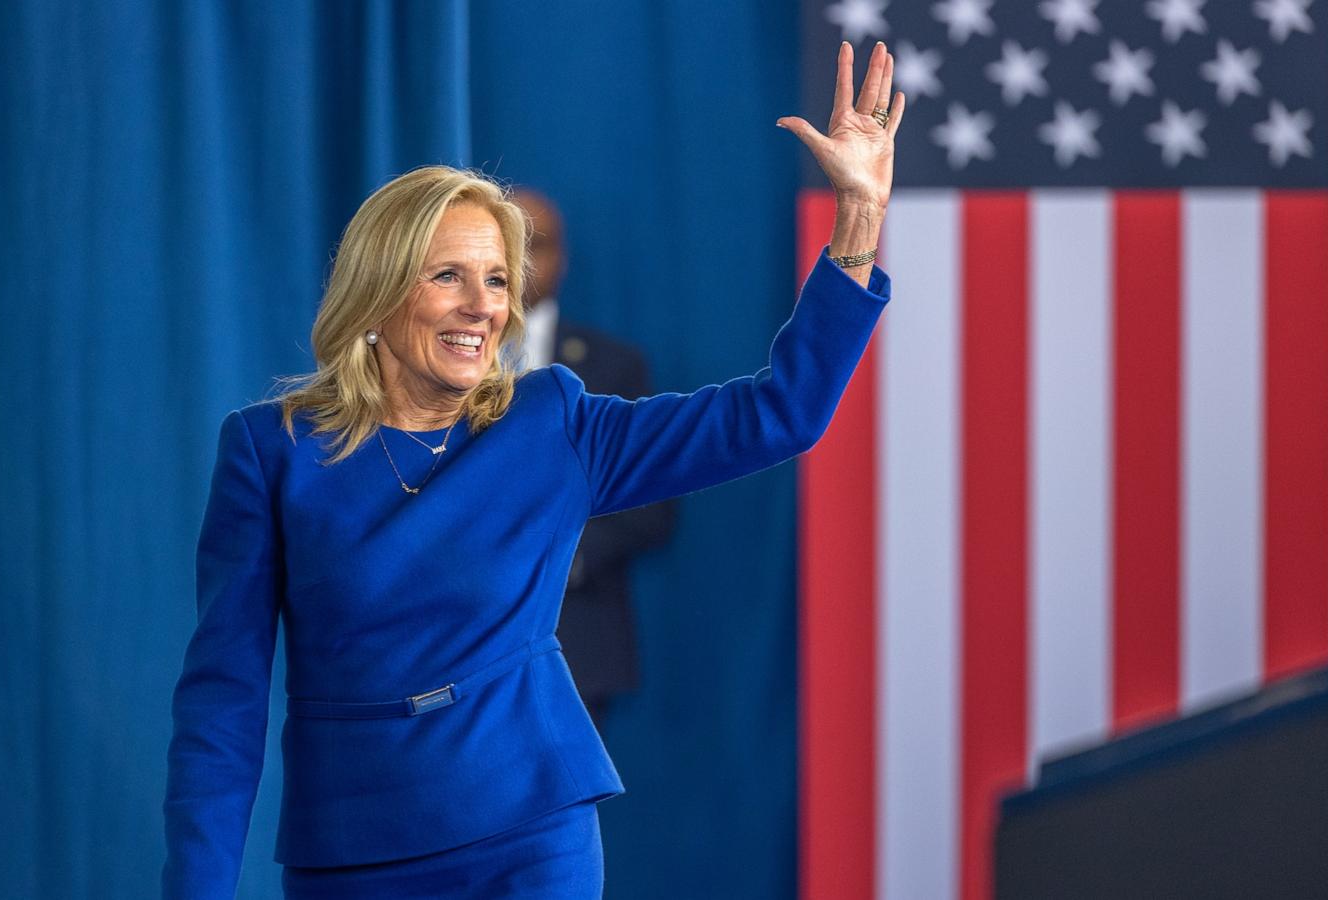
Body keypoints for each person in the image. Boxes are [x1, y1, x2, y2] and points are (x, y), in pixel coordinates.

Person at [162, 40, 905, 900]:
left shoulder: (551, 422)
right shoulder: (271, 451)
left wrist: (858, 219)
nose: (485, 306)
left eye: (498, 280)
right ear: (379, 290)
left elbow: (779, 414)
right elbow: (222, 703)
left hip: (531, 832)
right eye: (449, 277)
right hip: (355, 847)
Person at [513, 188, 676, 727]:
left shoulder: (612, 367)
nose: (518, 263)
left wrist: (553, 555)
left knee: (559, 811)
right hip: (450, 644)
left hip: (574, 638)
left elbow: (649, 509)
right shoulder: (437, 360)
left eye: (534, 246)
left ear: (563, 258)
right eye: (503, 244)